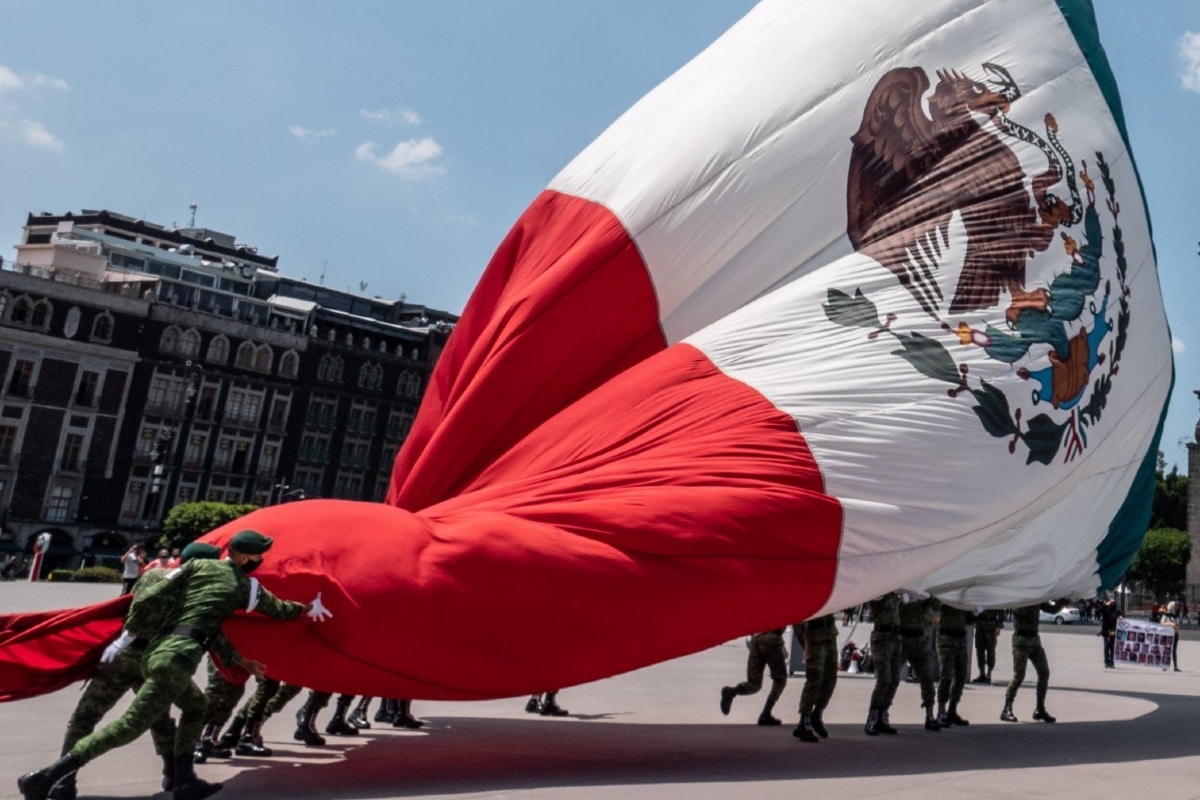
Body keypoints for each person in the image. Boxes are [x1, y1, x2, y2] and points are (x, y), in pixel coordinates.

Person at [17, 529, 332, 800]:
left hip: (145, 652)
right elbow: (274, 609)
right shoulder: (230, 583)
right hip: (172, 656)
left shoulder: (176, 574)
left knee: (181, 708)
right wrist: (307, 607)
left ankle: (181, 779)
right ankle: (47, 776)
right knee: (136, 723)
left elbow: (194, 620)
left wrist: (125, 637)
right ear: (247, 556)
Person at [45, 542, 222, 800]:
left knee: (85, 717)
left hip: (123, 655)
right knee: (160, 717)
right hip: (157, 660)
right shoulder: (200, 591)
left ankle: (63, 781)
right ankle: (174, 775)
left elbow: (131, 604)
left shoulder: (151, 574)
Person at [720, 628, 788, 725]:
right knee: (780, 679)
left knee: (754, 683)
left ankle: (732, 691)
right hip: (772, 638)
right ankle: (766, 713)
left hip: (757, 638)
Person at [1000, 603, 1055, 723]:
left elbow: (1052, 609)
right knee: (1019, 675)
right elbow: (1020, 610)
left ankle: (1040, 709)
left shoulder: (1037, 597)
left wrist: (1063, 600)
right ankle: (1006, 708)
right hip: (1020, 642)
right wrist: (1035, 598)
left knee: (1044, 672)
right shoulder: (1022, 597)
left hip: (1034, 641)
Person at [793, 614, 838, 743]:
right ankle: (804, 721)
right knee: (814, 679)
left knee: (830, 679)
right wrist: (805, 643)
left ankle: (817, 714)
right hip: (814, 636)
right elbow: (796, 622)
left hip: (830, 633)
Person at [898, 595, 940, 731]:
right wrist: (901, 599)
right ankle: (880, 715)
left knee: (927, 678)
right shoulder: (902, 586)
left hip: (919, 642)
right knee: (890, 679)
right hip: (902, 641)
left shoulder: (923, 591)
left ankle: (930, 715)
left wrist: (927, 598)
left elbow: (937, 606)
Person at [864, 593, 900, 735]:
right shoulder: (879, 591)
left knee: (894, 680)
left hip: (895, 638)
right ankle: (871, 720)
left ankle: (882, 717)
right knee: (884, 680)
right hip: (881, 638)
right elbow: (876, 605)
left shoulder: (895, 591)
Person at [935, 601, 974, 727]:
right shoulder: (949, 592)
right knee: (946, 676)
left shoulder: (966, 596)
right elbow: (935, 605)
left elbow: (969, 620)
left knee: (961, 675)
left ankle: (952, 709)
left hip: (961, 638)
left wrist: (975, 611)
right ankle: (941, 710)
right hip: (946, 637)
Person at [971, 608, 1004, 684]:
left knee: (991, 651)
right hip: (979, 626)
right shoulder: (980, 597)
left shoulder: (994, 598)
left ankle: (989, 673)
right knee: (979, 651)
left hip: (991, 626)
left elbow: (1001, 611)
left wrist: (998, 626)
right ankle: (981, 673)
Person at [1098, 598, 1121, 668]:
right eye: (1111, 602)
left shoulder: (1116, 611)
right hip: (1105, 631)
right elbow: (1100, 610)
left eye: (1113, 602)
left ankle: (1111, 662)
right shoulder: (1105, 610)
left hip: (1113, 631)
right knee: (1106, 647)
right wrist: (1106, 604)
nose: (1112, 603)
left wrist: (1120, 617)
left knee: (1112, 647)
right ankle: (1106, 662)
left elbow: (1120, 615)